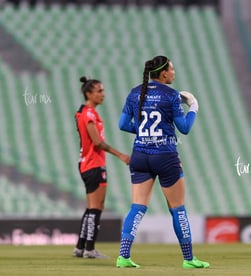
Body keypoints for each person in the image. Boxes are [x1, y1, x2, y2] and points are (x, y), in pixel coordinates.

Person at [115, 55, 210, 269]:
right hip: (165, 156)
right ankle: (188, 259)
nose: (174, 73)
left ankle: (123, 256)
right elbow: (184, 128)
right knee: (178, 209)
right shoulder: (171, 95)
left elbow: (122, 124)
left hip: (139, 154)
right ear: (164, 73)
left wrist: (145, 132)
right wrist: (193, 106)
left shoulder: (134, 92)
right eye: (172, 69)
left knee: (137, 207)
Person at [73, 76, 130, 258]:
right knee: (97, 207)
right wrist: (120, 155)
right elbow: (97, 142)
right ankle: (90, 249)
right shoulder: (89, 114)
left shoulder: (85, 113)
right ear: (89, 94)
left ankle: (80, 247)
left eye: (103, 90)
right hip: (94, 164)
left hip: (86, 164)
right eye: (99, 91)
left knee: (91, 207)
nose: (103, 94)